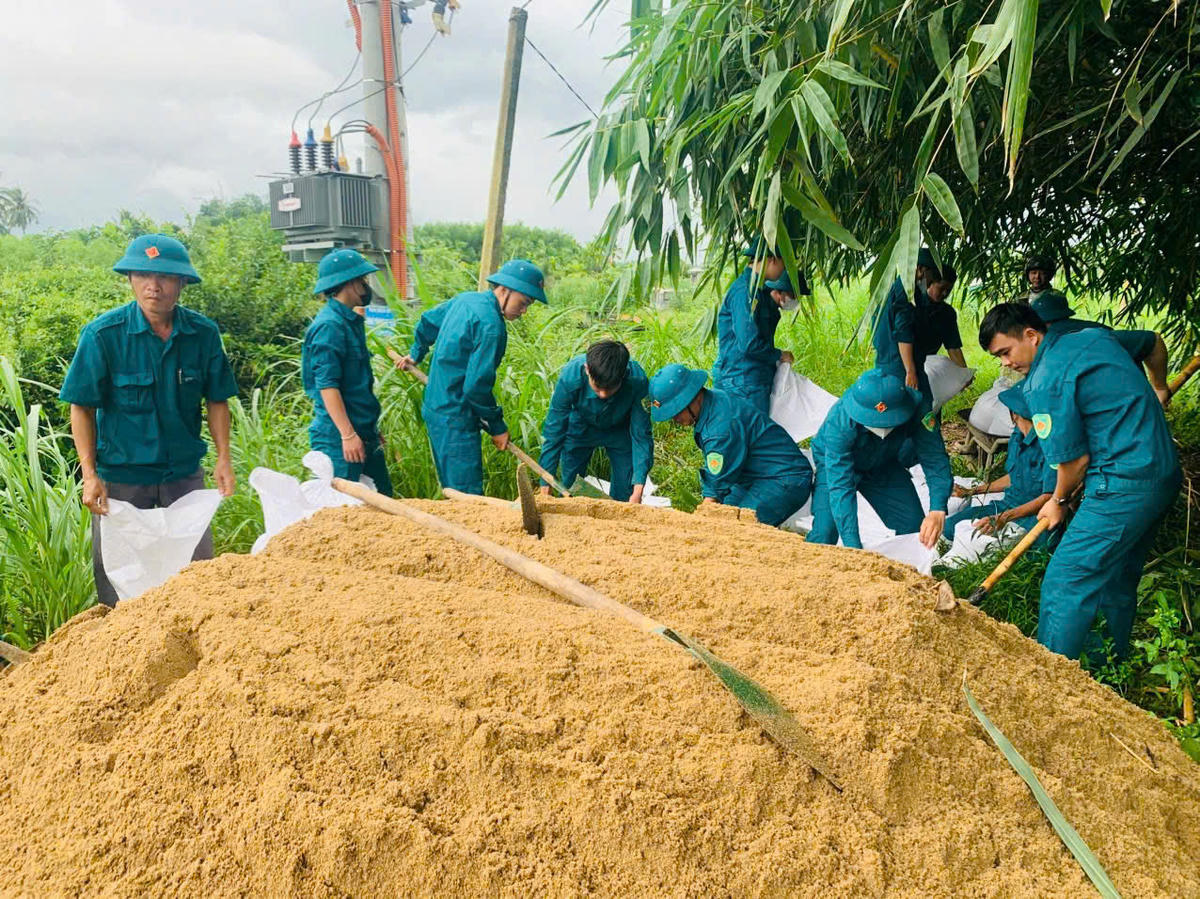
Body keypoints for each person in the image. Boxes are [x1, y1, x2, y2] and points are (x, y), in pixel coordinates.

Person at [978, 303, 1181, 660]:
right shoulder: (1092, 338)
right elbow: (1152, 343)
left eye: (1005, 352)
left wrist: (1056, 502)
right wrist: (1159, 387)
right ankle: (1104, 671)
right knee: (1116, 577)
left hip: (1122, 483)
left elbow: (1074, 461)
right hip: (1162, 475)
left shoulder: (1044, 381)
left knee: (1066, 580)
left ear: (1031, 334)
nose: (1006, 364)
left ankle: (1052, 685)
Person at [59, 234, 238, 607]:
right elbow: (82, 407)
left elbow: (217, 399)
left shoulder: (202, 335)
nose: (152, 287)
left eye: (165, 278)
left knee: (198, 575)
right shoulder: (104, 335)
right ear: (130, 279)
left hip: (183, 476)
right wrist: (89, 475)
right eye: (141, 275)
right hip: (123, 480)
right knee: (121, 581)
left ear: (183, 283)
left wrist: (224, 457)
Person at [394, 258, 546, 495]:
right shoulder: (491, 327)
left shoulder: (466, 300)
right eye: (523, 302)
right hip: (456, 418)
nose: (524, 311)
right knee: (467, 496)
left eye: (529, 305)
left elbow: (427, 322)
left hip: (435, 409)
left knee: (451, 489)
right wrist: (497, 426)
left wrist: (416, 353)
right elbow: (476, 387)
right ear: (504, 289)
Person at [648, 364, 812, 527]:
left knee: (736, 528)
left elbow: (716, 485)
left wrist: (700, 519)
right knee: (720, 520)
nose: (675, 420)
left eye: (676, 412)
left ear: (693, 398)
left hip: (783, 478)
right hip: (751, 477)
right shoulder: (714, 399)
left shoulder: (719, 430)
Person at [806, 369, 951, 550]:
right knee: (825, 532)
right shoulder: (840, 422)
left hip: (883, 463)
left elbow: (934, 456)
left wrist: (937, 508)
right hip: (835, 465)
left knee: (914, 529)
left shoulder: (917, 407)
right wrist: (854, 547)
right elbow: (840, 486)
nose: (882, 429)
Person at [301, 248, 392, 496]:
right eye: (363, 280)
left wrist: (369, 431)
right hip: (339, 439)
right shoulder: (330, 326)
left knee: (383, 505)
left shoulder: (349, 321)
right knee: (344, 513)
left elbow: (356, 386)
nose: (366, 286)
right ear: (350, 283)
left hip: (362, 433)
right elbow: (327, 386)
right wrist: (348, 434)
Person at [537, 340, 653, 503]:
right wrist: (545, 484)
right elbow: (554, 431)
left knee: (625, 493)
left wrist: (638, 490)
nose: (604, 395)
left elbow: (641, 434)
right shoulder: (571, 376)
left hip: (620, 431)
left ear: (623, 376)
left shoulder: (638, 381)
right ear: (587, 370)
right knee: (570, 487)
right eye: (597, 388)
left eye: (611, 388)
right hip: (579, 428)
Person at [1025, 284, 1171, 407]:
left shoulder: (1087, 338)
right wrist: (1160, 387)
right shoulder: (1094, 332)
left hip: (1126, 407)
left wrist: (1160, 389)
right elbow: (1153, 340)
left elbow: (1152, 340)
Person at [945, 384, 1054, 541]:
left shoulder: (1051, 445)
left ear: (1014, 414)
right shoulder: (1017, 437)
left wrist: (1005, 517)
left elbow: (1049, 496)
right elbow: (1013, 476)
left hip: (1036, 516)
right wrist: (973, 491)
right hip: (1006, 505)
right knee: (950, 528)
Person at [711, 238, 804, 415]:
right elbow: (748, 344)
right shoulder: (744, 291)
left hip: (752, 378)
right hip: (744, 380)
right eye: (785, 264)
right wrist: (779, 355)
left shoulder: (756, 290)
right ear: (772, 259)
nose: (785, 269)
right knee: (751, 437)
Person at [872, 246, 941, 416]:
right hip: (900, 365)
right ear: (920, 269)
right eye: (932, 273)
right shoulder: (907, 290)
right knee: (923, 409)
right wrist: (910, 370)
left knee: (889, 410)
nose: (933, 279)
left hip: (885, 362)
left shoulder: (891, 287)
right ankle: (927, 441)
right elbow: (904, 332)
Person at [918, 264, 968, 369]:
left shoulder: (947, 313)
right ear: (929, 284)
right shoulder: (913, 306)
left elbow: (953, 347)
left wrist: (964, 372)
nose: (945, 293)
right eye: (941, 288)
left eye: (948, 290)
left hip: (929, 364)